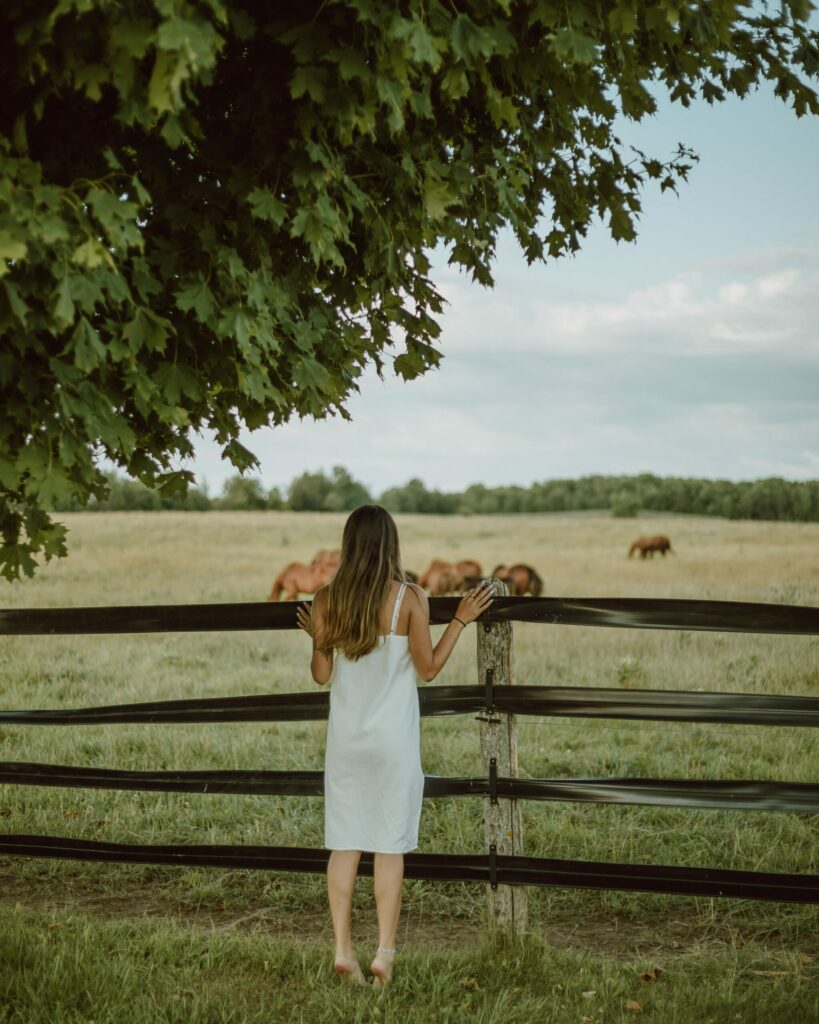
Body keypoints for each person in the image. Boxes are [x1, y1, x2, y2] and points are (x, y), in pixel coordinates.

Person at [296, 504, 493, 988]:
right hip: (393, 744)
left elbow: (322, 675)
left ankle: (343, 948)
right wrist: (461, 621)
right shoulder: (409, 597)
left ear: (348, 544)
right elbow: (428, 669)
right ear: (390, 544)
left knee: (345, 843)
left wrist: (319, 637)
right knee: (388, 846)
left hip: (346, 743)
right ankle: (383, 953)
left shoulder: (325, 599)